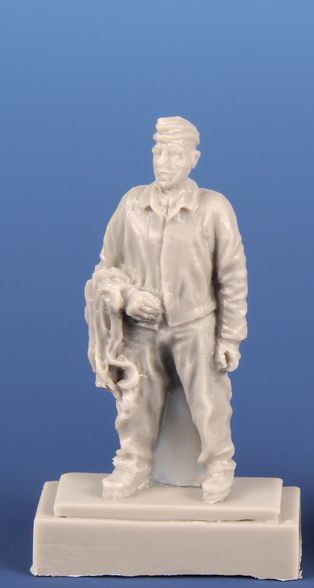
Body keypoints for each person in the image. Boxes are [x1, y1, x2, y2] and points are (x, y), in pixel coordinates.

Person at [85, 116, 248, 503]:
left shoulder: (213, 208)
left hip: (195, 325)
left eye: (174, 154)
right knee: (138, 398)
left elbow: (232, 276)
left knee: (208, 400)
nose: (164, 162)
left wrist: (229, 337)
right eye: (158, 153)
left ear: (193, 159)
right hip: (142, 329)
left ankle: (219, 463)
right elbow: (105, 268)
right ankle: (134, 462)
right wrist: (127, 297)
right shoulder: (132, 204)